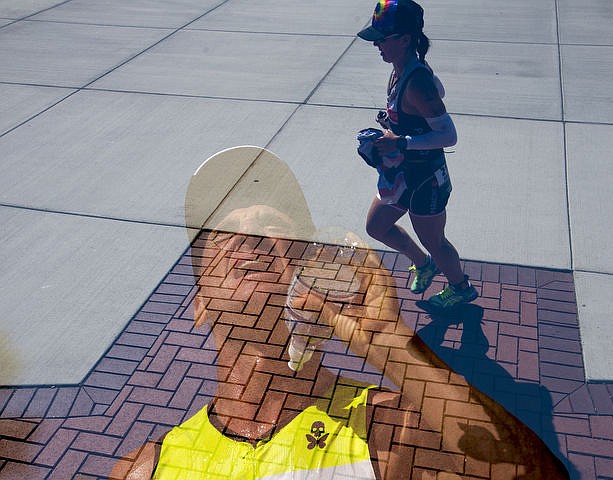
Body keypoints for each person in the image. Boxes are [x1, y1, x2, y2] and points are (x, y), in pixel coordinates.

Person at [110, 146, 569, 479]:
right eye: (223, 233)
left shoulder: (387, 431)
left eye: (272, 228)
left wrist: (391, 344)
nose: (248, 236)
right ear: (199, 306)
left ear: (311, 279)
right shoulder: (144, 467)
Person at [358, 0, 478, 310]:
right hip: (401, 174)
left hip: (427, 179)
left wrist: (401, 142)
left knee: (435, 241)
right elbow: (422, 112)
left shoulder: (417, 82)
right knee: (376, 227)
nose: (377, 45)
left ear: (405, 39)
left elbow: (449, 135)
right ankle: (423, 265)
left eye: (383, 38)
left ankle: (461, 288)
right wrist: (390, 125)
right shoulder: (400, 71)